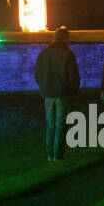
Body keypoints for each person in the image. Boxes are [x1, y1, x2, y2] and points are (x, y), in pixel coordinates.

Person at [34, 26, 80, 162]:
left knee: (50, 124)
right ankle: (57, 154)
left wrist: (43, 87)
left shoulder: (43, 54)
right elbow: (73, 76)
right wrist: (73, 91)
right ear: (66, 38)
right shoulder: (67, 54)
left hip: (48, 93)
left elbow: (37, 74)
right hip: (63, 94)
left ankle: (49, 154)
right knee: (61, 124)